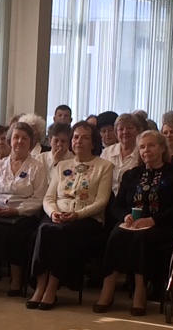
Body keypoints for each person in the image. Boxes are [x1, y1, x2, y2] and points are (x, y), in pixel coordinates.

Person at [95, 130, 173, 315]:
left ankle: (140, 291)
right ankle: (108, 289)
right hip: (132, 223)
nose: (146, 150)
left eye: (151, 146)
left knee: (142, 238)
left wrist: (153, 220)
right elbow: (116, 206)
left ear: (162, 148)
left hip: (163, 225)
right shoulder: (131, 175)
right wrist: (125, 216)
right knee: (116, 234)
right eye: (142, 147)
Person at [28, 121, 113, 309]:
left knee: (62, 232)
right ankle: (40, 286)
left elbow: (101, 201)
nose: (78, 141)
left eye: (85, 138)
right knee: (44, 228)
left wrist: (77, 215)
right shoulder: (62, 165)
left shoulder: (104, 166)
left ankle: (52, 288)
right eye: (75, 137)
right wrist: (53, 213)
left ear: (93, 142)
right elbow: (48, 197)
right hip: (59, 214)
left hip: (87, 218)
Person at [0, 121, 47, 297]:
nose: (19, 141)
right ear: (10, 140)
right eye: (16, 137)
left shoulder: (37, 167)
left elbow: (39, 198)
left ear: (30, 142)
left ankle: (16, 281)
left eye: (24, 138)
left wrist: (17, 210)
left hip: (22, 215)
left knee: (16, 232)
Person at [101, 113, 142, 185]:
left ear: (138, 131)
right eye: (121, 129)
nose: (125, 132)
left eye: (130, 128)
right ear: (116, 133)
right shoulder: (107, 152)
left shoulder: (142, 153)